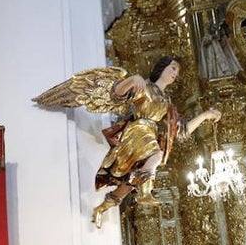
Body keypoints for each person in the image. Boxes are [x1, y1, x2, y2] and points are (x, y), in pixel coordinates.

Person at [90, 55, 222, 226]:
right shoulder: (146, 87)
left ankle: (101, 208)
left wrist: (206, 115)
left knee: (131, 182)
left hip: (148, 135)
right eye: (173, 68)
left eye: (178, 71)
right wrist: (132, 80)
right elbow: (117, 94)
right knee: (157, 155)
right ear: (162, 68)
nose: (175, 73)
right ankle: (145, 192)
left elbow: (183, 130)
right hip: (137, 131)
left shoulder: (167, 103)